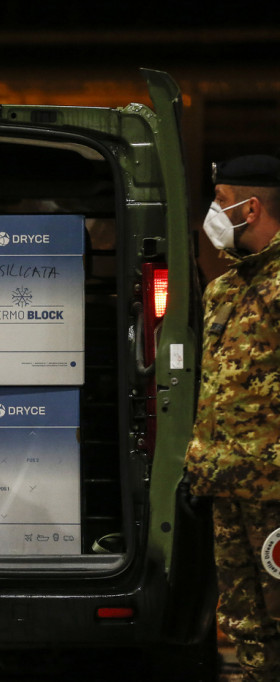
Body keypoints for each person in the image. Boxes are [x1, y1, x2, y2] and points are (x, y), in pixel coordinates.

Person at [185, 154, 280, 682]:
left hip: (275, 489)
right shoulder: (225, 288)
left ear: (252, 207)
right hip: (227, 483)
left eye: (220, 203)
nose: (214, 214)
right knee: (244, 621)